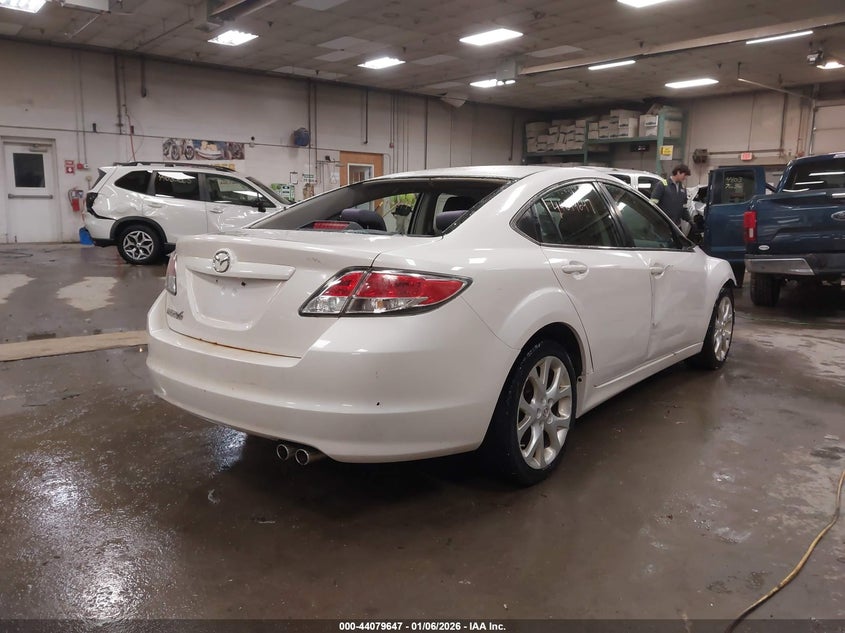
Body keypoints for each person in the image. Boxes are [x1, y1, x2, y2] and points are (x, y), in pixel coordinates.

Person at [651, 163, 692, 229]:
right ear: (678, 172)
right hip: (663, 225)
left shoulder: (683, 189)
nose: (685, 178)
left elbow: (683, 208)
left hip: (676, 226)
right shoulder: (662, 185)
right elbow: (653, 205)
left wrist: (690, 220)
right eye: (684, 175)